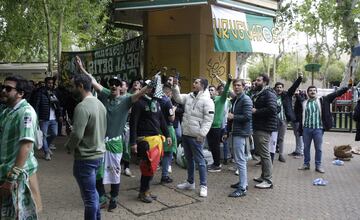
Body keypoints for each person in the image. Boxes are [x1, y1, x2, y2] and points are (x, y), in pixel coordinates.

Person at [75, 56, 149, 211]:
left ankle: (114, 198)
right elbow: (92, 81)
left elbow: (140, 93)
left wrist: (149, 85)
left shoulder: (127, 100)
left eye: (117, 84)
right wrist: (81, 69)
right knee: (98, 173)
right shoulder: (105, 94)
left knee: (114, 173)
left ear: (122, 87)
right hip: (101, 143)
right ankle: (101, 197)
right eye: (112, 84)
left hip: (115, 143)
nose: (114, 86)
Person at [65, 74, 107, 220]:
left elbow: (77, 135)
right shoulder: (100, 104)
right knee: (93, 194)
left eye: (72, 86)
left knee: (89, 199)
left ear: (81, 86)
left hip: (85, 159)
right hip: (98, 156)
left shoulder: (82, 107)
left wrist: (69, 146)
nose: (71, 89)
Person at [0, 75, 42, 219]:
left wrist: (11, 178)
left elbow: (26, 145)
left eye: (8, 88)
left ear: (21, 93)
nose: (3, 90)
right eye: (3, 87)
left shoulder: (26, 112)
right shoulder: (7, 110)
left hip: (18, 177)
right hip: (6, 173)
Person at [129, 76, 172, 203]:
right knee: (148, 167)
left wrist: (168, 135)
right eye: (152, 88)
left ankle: (145, 190)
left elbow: (162, 121)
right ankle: (143, 192)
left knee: (153, 167)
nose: (155, 90)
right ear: (147, 89)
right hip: (144, 141)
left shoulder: (156, 103)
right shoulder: (138, 103)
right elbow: (133, 123)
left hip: (157, 141)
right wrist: (133, 142)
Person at [172, 77, 214, 197]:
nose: (193, 84)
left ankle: (203, 186)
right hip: (186, 134)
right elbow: (178, 98)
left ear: (202, 86)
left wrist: (201, 134)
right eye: (194, 81)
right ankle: (190, 182)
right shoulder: (190, 96)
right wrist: (175, 87)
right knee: (189, 159)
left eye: (196, 82)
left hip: (196, 136)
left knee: (200, 161)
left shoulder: (207, 100)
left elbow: (208, 119)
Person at [298, 85, 349, 173]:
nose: (312, 92)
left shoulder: (323, 100)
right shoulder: (304, 103)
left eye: (314, 90)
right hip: (306, 129)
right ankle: (306, 164)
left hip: (318, 129)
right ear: (308, 92)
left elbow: (336, 94)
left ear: (316, 92)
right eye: (310, 90)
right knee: (306, 148)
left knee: (319, 149)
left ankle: (318, 165)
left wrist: (347, 87)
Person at [227, 79, 252, 197]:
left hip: (241, 133)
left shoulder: (246, 99)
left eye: (238, 85)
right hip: (236, 131)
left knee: (241, 160)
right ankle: (243, 182)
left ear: (243, 87)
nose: (236, 87)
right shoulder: (237, 99)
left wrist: (233, 116)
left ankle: (242, 188)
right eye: (235, 85)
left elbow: (247, 117)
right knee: (239, 159)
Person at [252, 74, 277, 189]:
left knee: (265, 154)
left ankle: (268, 180)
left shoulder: (269, 93)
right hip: (260, 126)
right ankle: (263, 176)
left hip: (264, 127)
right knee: (262, 154)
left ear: (265, 82)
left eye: (258, 80)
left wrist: (256, 111)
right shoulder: (261, 93)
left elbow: (272, 109)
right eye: (256, 80)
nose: (256, 82)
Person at [274, 75, 303, 162]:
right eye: (277, 87)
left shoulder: (287, 95)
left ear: (283, 88)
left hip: (283, 120)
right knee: (272, 138)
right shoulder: (272, 96)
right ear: (275, 88)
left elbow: (294, 87)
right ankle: (270, 154)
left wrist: (299, 79)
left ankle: (281, 155)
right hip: (273, 120)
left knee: (281, 138)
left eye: (280, 87)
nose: (279, 89)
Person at [33, 76, 63, 160]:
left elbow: (58, 105)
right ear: (45, 83)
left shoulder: (54, 93)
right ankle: (46, 152)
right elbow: (36, 105)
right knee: (44, 136)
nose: (50, 84)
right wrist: (37, 117)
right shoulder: (40, 93)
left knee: (54, 133)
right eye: (49, 83)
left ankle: (47, 146)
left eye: (52, 83)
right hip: (44, 118)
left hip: (54, 118)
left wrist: (60, 115)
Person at [207, 74, 231, 172]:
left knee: (215, 146)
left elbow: (225, 92)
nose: (210, 91)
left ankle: (217, 165)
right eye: (209, 90)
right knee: (211, 146)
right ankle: (215, 163)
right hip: (207, 126)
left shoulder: (220, 100)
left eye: (212, 90)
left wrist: (228, 82)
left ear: (216, 92)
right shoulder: (207, 100)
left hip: (216, 127)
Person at [159, 83, 177, 183]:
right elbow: (171, 118)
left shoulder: (156, 99)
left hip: (157, 129)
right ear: (169, 92)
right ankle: (164, 176)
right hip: (167, 129)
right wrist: (173, 110)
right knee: (168, 153)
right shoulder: (167, 102)